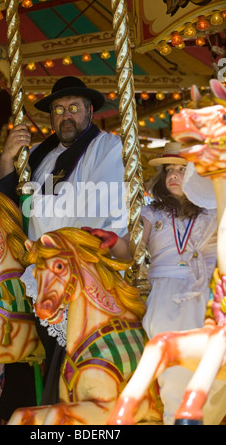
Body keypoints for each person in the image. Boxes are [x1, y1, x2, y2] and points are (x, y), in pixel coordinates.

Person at [0, 76, 129, 419]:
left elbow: (93, 206)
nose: (65, 115)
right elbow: (11, 207)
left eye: (73, 108)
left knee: (63, 362)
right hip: (35, 270)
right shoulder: (40, 154)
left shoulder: (106, 147)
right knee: (29, 357)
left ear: (90, 111)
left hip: (77, 272)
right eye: (57, 109)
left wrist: (38, 206)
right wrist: (9, 157)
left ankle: (62, 416)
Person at [86, 141, 226, 425]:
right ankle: (176, 413)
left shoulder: (213, 212)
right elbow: (131, 247)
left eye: (181, 169)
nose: (173, 175)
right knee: (168, 350)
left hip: (205, 291)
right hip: (165, 290)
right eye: (169, 170)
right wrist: (114, 243)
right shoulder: (153, 213)